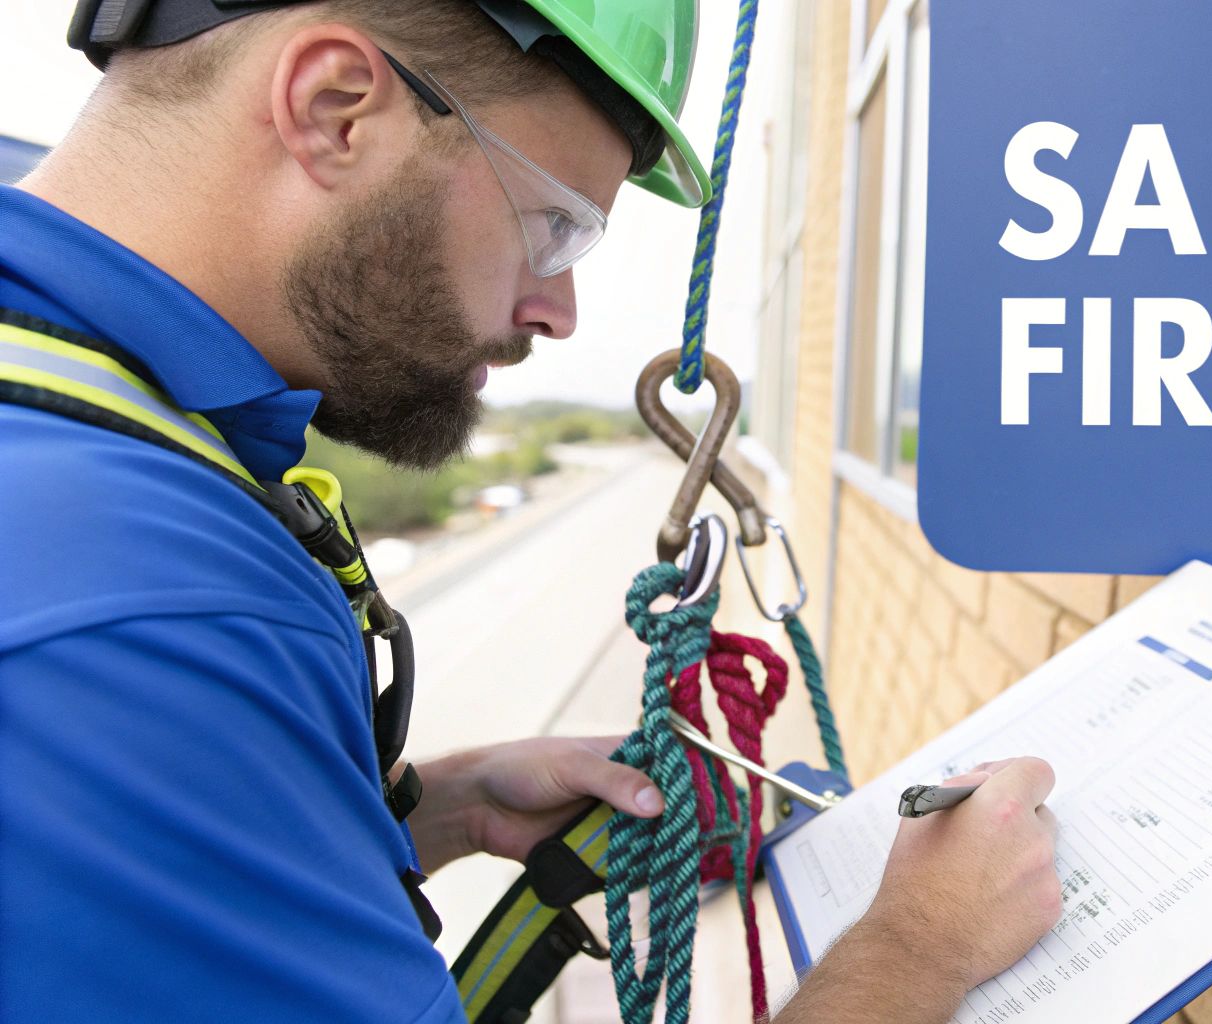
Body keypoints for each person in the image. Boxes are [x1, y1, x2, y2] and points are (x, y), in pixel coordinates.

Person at [0, 1, 1060, 1021]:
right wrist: (919, 946)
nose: (556, 311)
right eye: (554, 224)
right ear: (335, 108)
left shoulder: (102, 436)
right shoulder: (143, 601)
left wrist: (413, 812)